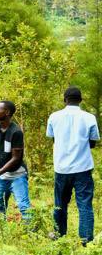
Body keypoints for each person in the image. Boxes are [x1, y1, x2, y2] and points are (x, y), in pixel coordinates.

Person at [47, 87, 99, 244]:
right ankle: (86, 241)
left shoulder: (54, 117)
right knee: (84, 205)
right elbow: (93, 143)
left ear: (65, 100)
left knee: (60, 205)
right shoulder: (89, 117)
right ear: (81, 100)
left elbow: (54, 139)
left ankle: (59, 236)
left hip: (61, 168)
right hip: (82, 168)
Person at [0, 100, 31, 222]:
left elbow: (15, 159)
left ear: (7, 112)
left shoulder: (16, 132)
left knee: (23, 205)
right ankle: (2, 229)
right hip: (3, 175)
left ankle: (31, 232)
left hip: (17, 175)